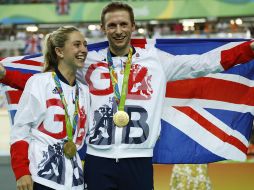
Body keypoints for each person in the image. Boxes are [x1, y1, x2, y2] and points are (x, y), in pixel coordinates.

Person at [1, 2, 254, 190]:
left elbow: (203, 63)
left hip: (139, 161)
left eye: (124, 24)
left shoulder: (157, 62)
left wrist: (248, 49)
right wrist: (4, 74)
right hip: (98, 161)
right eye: (112, 25)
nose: (118, 30)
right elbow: (47, 80)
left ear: (133, 26)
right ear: (103, 29)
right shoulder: (88, 62)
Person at [9, 26, 90, 190]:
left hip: (74, 180)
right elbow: (20, 130)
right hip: (42, 178)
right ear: (59, 52)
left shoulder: (84, 90)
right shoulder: (39, 82)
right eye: (76, 44)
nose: (83, 50)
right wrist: (21, 171)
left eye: (85, 44)